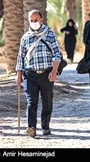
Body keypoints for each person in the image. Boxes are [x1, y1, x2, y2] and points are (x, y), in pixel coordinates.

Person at [15, 9, 61, 138]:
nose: (34, 22)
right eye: (32, 20)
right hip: (30, 75)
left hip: (47, 74)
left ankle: (45, 127)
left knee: (47, 102)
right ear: (28, 21)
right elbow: (20, 57)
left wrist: (54, 70)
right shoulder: (25, 38)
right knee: (31, 102)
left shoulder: (50, 34)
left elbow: (57, 54)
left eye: (36, 20)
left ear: (41, 20)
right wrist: (18, 75)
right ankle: (31, 128)